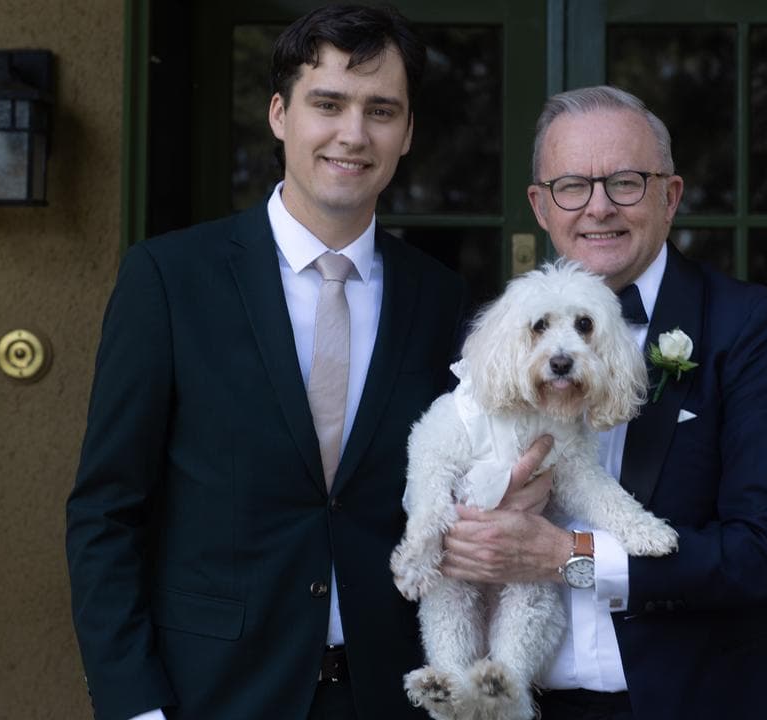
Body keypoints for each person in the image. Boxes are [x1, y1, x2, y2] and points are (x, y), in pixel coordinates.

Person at [65, 6, 489, 719]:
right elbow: (106, 513)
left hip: (389, 696)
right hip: (215, 694)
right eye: (328, 104)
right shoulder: (169, 280)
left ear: (408, 132)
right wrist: (134, 705)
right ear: (279, 115)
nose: (353, 134)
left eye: (381, 110)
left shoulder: (438, 296)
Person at [439, 85, 767, 719]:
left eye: (625, 182)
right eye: (572, 186)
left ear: (669, 197)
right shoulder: (501, 341)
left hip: (702, 703)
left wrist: (569, 558)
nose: (598, 207)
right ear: (541, 207)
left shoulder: (752, 329)